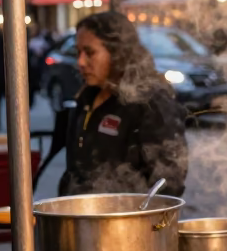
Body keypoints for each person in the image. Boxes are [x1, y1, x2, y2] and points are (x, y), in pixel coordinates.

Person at [56, 11, 188, 197]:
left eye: (90, 53)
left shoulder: (151, 102)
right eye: (78, 52)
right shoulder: (86, 97)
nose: (81, 62)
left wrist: (137, 218)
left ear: (118, 52)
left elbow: (169, 182)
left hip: (125, 221)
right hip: (80, 215)